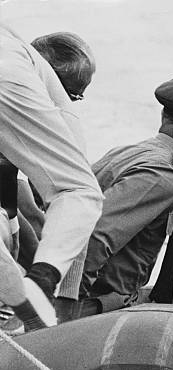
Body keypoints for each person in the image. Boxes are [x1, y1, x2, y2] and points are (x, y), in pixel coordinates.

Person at [66, 70, 173, 319]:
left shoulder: (130, 152)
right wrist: (65, 310)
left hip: (95, 291)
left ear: (163, 116)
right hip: (91, 303)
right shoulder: (163, 176)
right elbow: (91, 239)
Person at [0, 25, 103, 330]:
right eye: (74, 94)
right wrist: (52, 294)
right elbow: (75, 193)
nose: (75, 103)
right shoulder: (29, 92)